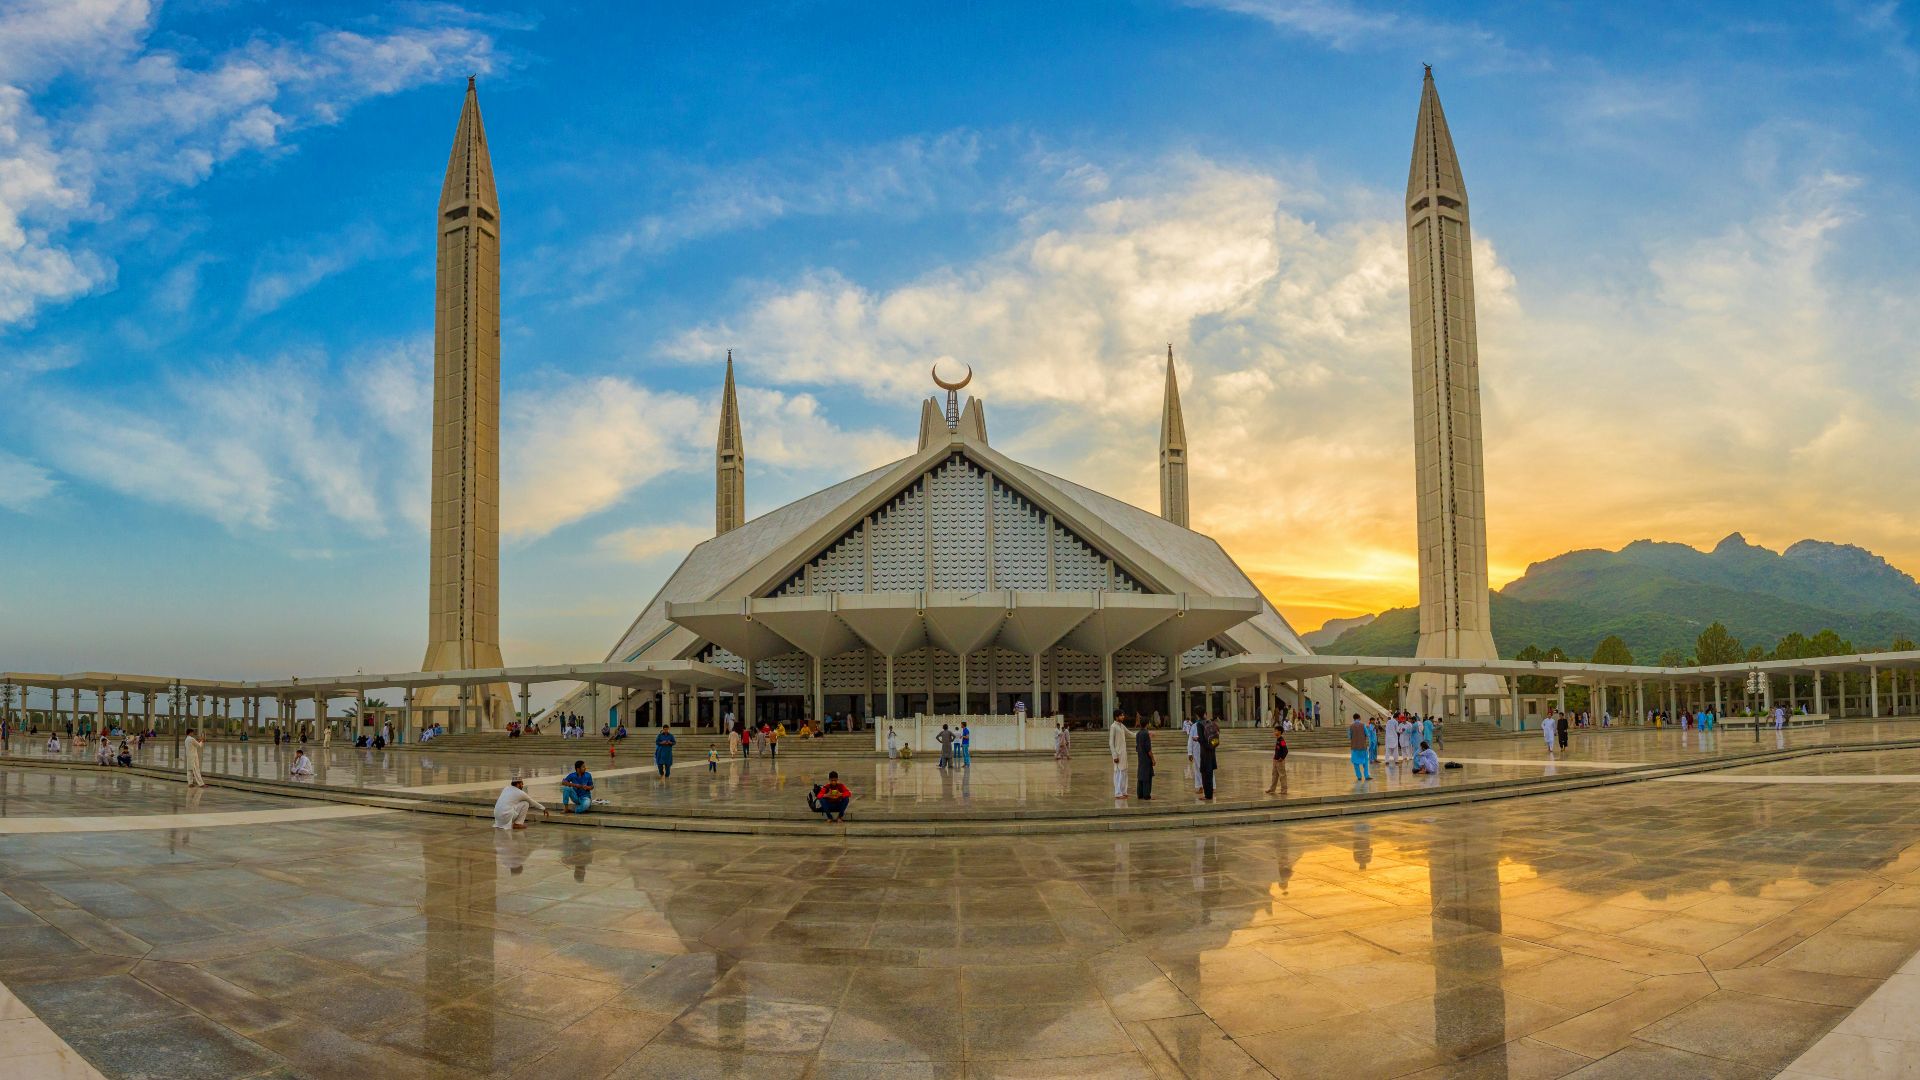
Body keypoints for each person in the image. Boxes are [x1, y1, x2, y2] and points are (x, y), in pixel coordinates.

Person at [1197, 712, 1219, 801]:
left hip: (1205, 753)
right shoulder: (1210, 722)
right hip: (1212, 751)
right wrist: (1211, 746)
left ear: (1197, 715)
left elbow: (1202, 740)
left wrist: (1197, 739)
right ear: (1205, 714)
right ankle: (1209, 795)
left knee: (1205, 775)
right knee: (1210, 774)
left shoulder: (1199, 724)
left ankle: (1207, 795)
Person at [1109, 711, 1131, 799]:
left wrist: (1142, 734)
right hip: (1117, 754)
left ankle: (1123, 791)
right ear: (1116, 717)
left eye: (1123, 715)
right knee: (1118, 773)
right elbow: (1111, 743)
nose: (1123, 717)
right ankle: (1117, 793)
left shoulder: (1122, 726)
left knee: (1124, 772)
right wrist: (1114, 756)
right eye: (1121, 715)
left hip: (1124, 753)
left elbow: (1130, 733)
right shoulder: (1113, 726)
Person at [1347, 714, 1372, 781]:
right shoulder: (1363, 725)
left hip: (1354, 747)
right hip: (1363, 746)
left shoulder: (1351, 726)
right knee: (1365, 761)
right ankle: (1366, 776)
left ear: (1354, 718)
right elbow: (1367, 734)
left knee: (1355, 762)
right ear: (1359, 717)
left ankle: (1359, 776)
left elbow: (1349, 736)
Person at [1135, 719, 1155, 800]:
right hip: (1146, 758)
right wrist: (1153, 759)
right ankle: (1146, 794)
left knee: (1141, 775)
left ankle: (1140, 794)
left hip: (1140, 757)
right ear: (1147, 724)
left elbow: (1137, 747)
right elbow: (1148, 749)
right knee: (1147, 776)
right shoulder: (1146, 734)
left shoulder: (1138, 734)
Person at [1266, 727, 1288, 795]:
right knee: (1274, 775)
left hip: (1280, 761)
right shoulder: (1278, 740)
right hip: (1275, 760)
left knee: (1282, 775)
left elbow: (1286, 750)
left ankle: (1284, 790)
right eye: (1274, 731)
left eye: (1276, 731)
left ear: (1280, 732)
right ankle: (1272, 789)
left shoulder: (1281, 740)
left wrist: (1282, 757)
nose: (1274, 732)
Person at [1183, 713, 1201, 793]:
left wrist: (1190, 753)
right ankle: (1210, 786)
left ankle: (1201, 787)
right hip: (1204, 750)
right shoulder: (1207, 724)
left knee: (1198, 769)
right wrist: (1190, 752)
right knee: (1206, 769)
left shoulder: (1195, 726)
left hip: (1200, 750)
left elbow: (1190, 740)